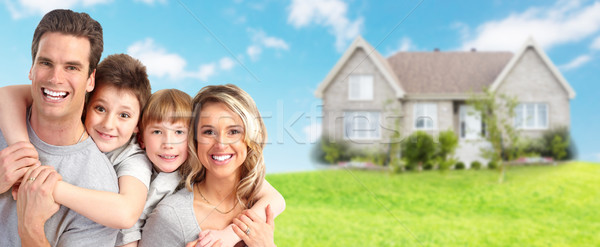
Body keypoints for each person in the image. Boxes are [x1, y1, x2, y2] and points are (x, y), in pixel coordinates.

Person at [0, 54, 154, 243]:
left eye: (124, 115)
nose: (108, 124)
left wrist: (46, 185)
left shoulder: (133, 157)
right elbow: (6, 94)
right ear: (85, 104)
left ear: (138, 123)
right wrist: (24, 155)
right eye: (100, 109)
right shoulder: (72, 120)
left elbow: (126, 213)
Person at [0, 9, 120, 246]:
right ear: (31, 69)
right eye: (46, 62)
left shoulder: (98, 188)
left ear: (90, 80)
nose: (55, 78)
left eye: (72, 67)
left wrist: (30, 228)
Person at [140, 84, 285, 247]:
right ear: (194, 140)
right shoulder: (171, 216)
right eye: (208, 132)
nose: (221, 144)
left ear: (250, 138)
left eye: (233, 131)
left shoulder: (258, 203)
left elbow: (278, 199)